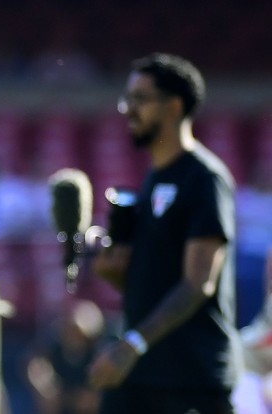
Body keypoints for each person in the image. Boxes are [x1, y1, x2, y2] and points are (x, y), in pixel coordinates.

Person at [88, 53, 241, 414]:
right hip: (145, 374)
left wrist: (131, 345)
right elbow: (159, 283)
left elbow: (198, 283)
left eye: (139, 99)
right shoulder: (154, 178)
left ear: (173, 106)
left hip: (191, 379)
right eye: (127, 99)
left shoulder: (204, 179)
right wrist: (115, 274)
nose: (127, 109)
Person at [26, 299, 106, 414]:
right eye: (70, 329)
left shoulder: (98, 352)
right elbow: (34, 363)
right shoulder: (54, 347)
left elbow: (90, 399)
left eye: (78, 331)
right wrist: (44, 386)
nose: (73, 334)